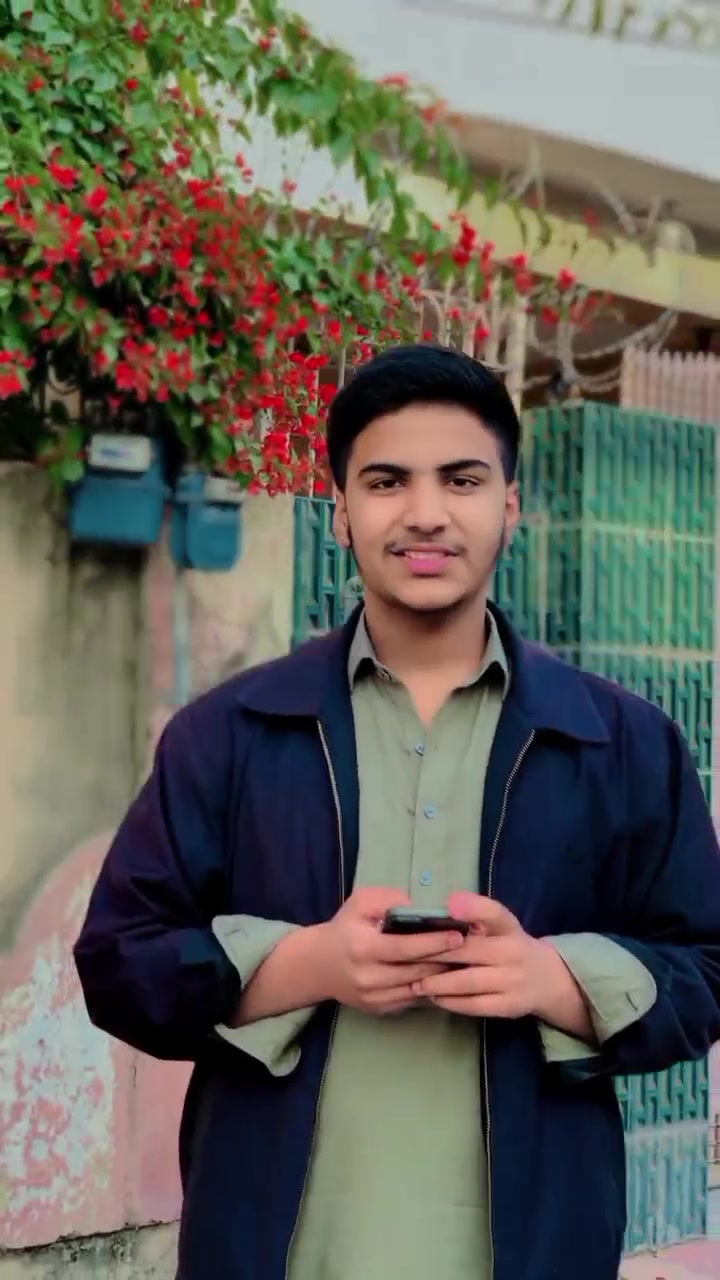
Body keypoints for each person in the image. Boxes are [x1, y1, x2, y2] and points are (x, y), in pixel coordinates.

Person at [74, 343, 720, 1280]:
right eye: (386, 481)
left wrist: (554, 977)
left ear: (510, 506)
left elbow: (705, 969)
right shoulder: (230, 733)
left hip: (536, 1251)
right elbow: (118, 961)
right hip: (275, 1253)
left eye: (462, 479)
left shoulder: (623, 743)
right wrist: (306, 963)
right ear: (341, 511)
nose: (425, 513)